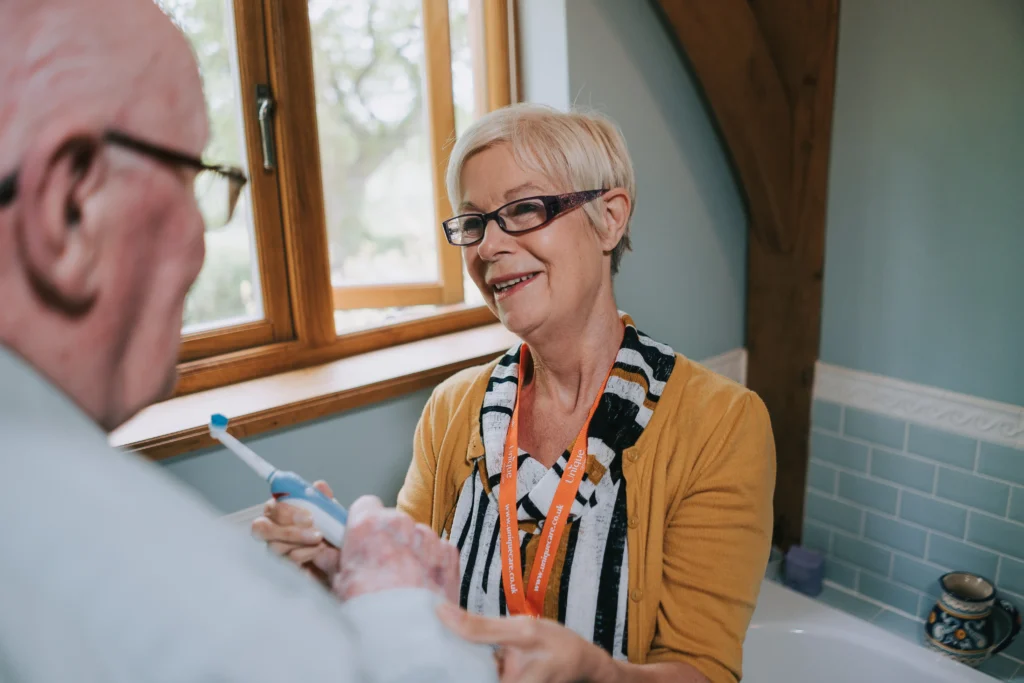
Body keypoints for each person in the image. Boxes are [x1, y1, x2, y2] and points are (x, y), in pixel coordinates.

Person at [0, 1, 497, 681]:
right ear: (70, 206)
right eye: (195, 175)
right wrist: (402, 612)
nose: (206, 241)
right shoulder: (161, 592)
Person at [257, 103, 777, 682]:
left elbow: (703, 670)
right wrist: (347, 571)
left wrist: (600, 675)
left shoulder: (722, 425)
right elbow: (414, 606)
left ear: (609, 219)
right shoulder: (453, 409)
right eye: (473, 223)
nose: (486, 248)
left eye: (524, 209)